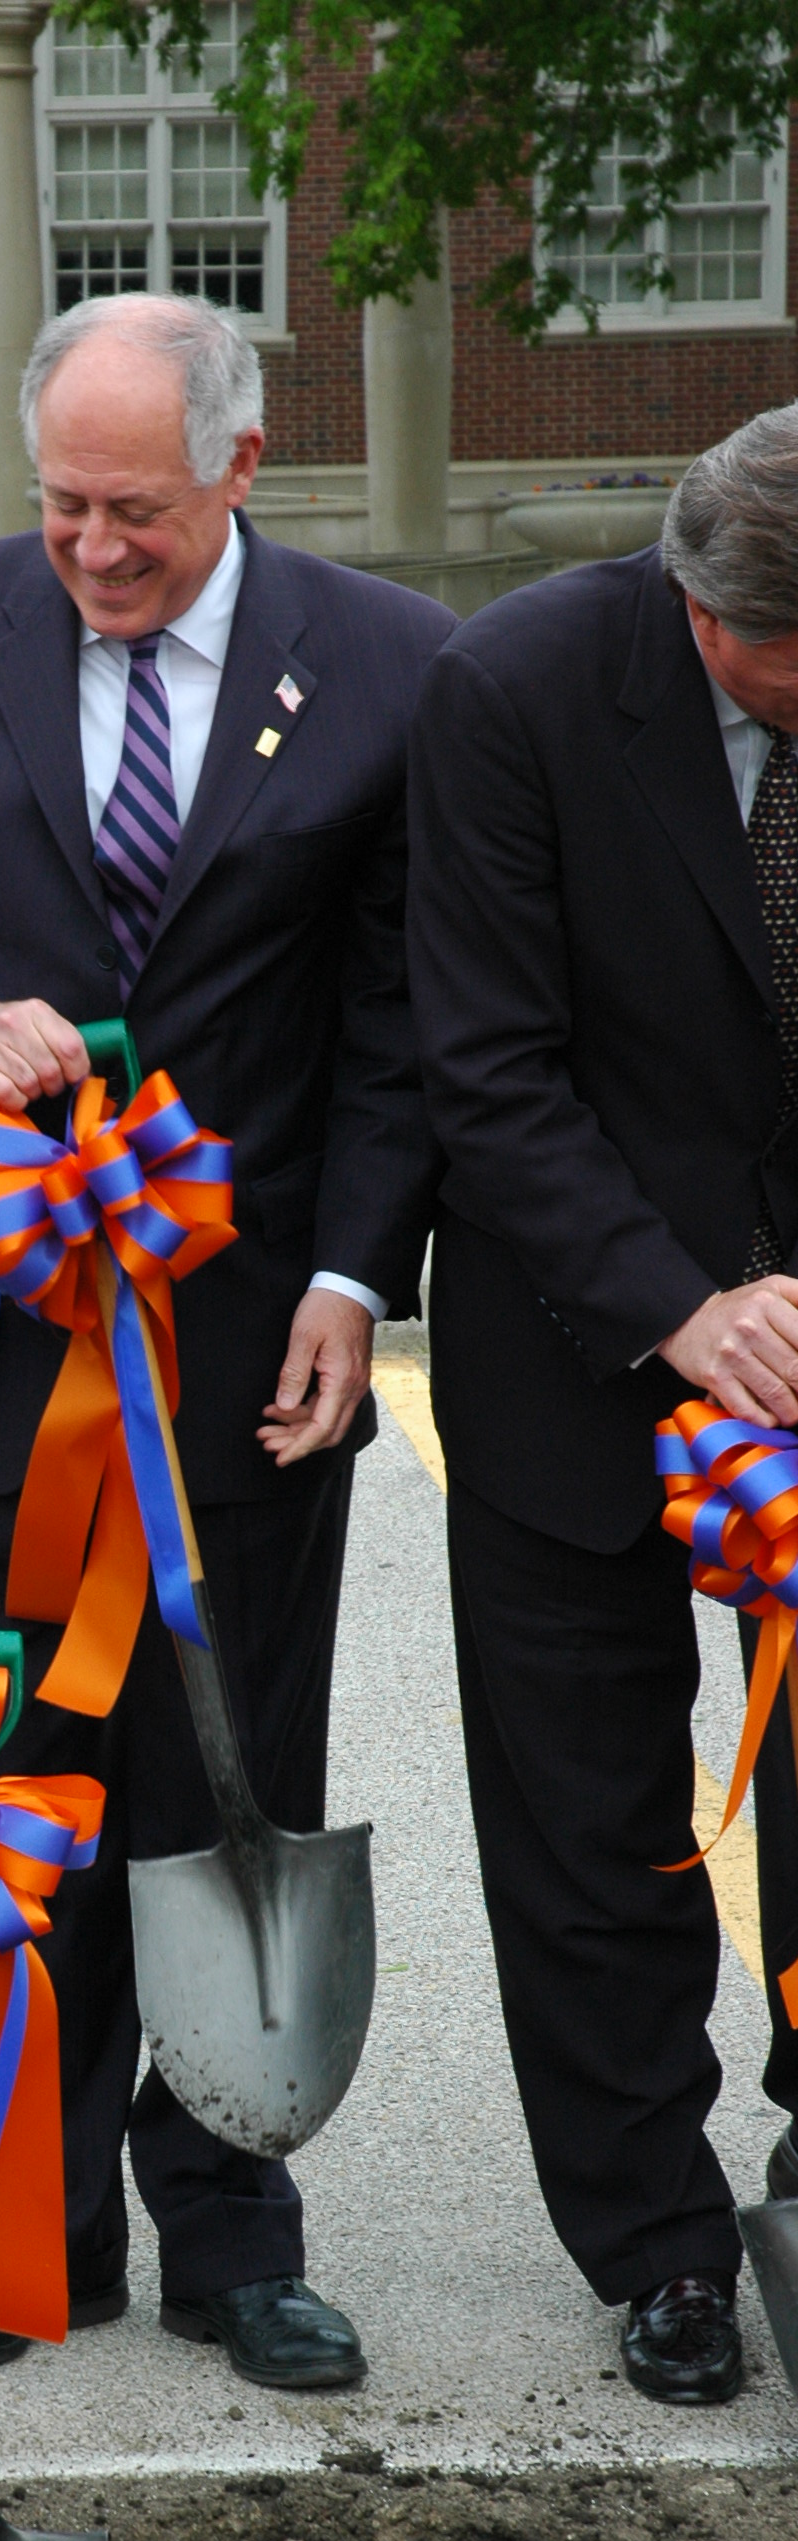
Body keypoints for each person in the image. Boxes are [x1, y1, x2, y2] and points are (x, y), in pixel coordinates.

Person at [0, 294, 451, 2393]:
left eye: (135, 509)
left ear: (241, 467)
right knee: (4, 1787)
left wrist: (353, 1283)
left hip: (256, 1356)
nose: (94, 547)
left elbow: (401, 1014)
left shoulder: (389, 663)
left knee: (223, 1780)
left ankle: (231, 2229)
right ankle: (19, 2232)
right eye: (62, 502)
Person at [409, 404, 798, 2406]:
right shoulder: (516, 690)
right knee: (590, 1822)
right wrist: (681, 1307)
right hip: (575, 1340)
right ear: (698, 606)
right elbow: (485, 1062)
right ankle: (654, 2237)